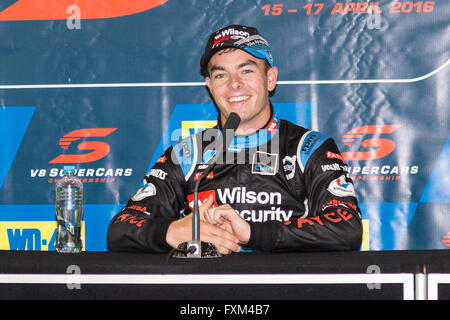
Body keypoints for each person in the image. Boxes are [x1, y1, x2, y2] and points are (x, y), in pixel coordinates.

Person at [107, 24, 363, 254]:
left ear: (270, 78)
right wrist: (171, 232)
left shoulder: (308, 147)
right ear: (209, 85)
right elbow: (120, 230)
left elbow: (346, 227)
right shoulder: (187, 153)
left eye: (247, 71)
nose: (234, 84)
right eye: (221, 75)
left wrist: (253, 233)